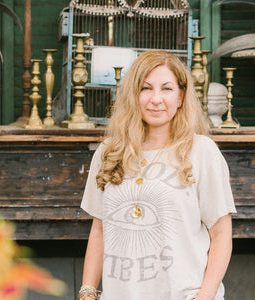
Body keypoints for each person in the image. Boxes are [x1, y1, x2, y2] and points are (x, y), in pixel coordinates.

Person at [79, 50, 236, 300]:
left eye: (166, 89)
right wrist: (87, 291)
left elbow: (221, 233)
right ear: (134, 95)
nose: (156, 99)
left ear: (181, 96)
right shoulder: (109, 152)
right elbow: (99, 230)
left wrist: (205, 297)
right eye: (145, 88)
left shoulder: (202, 151)